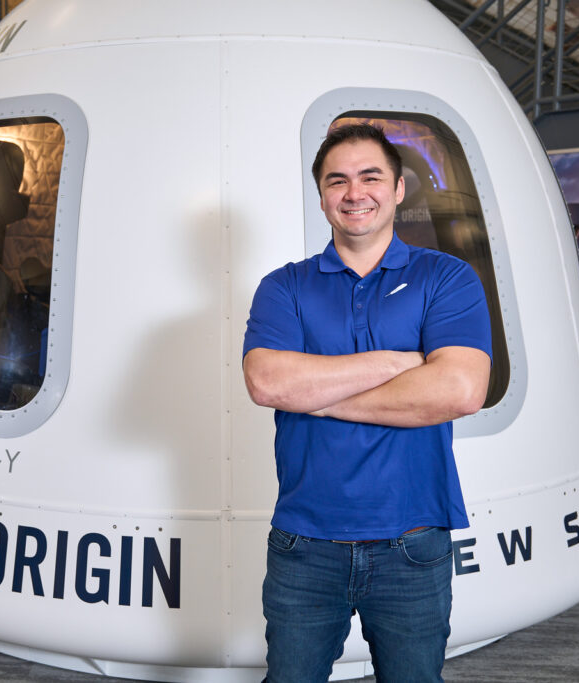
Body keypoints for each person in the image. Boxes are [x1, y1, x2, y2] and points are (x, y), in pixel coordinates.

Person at [242, 123, 492, 683]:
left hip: (413, 542)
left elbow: (459, 390)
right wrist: (399, 363)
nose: (355, 193)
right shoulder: (283, 287)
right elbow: (267, 383)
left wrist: (319, 396)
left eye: (370, 176)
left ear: (398, 188)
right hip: (305, 542)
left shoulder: (446, 278)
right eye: (338, 181)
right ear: (323, 195)